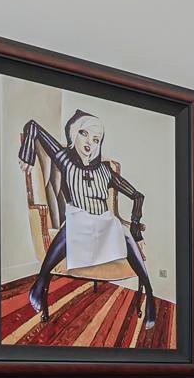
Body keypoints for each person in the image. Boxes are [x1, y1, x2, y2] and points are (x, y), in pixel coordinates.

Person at [18, 111, 157, 328]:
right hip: (78, 224)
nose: (89, 143)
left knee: (124, 232)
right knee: (74, 221)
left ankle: (150, 295)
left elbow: (138, 196)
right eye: (84, 133)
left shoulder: (106, 171)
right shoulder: (65, 159)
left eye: (96, 139)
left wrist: (136, 226)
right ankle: (41, 281)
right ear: (74, 134)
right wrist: (26, 152)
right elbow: (33, 125)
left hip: (103, 225)